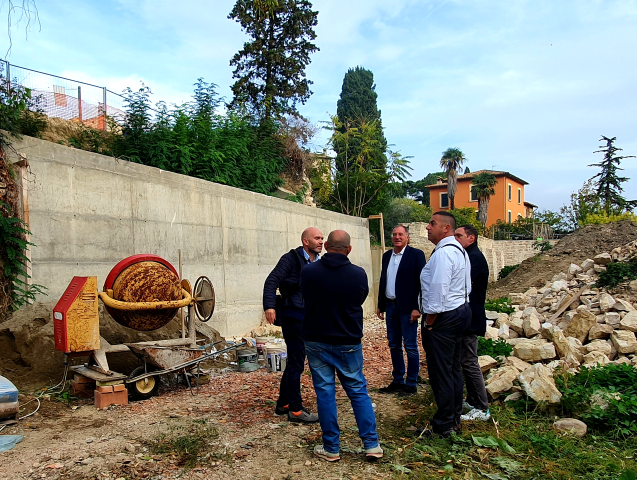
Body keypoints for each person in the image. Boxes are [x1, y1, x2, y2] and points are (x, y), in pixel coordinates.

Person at [300, 230, 383, 462]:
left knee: (325, 393)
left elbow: (306, 297)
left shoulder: (309, 272)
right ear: (349, 249)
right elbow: (358, 299)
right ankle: (371, 444)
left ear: (326, 246)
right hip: (348, 341)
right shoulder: (358, 274)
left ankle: (332, 448)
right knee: (357, 391)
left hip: (316, 340)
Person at [262, 227, 324, 424]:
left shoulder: (319, 262)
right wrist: (270, 306)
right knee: (297, 362)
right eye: (317, 238)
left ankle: (284, 403)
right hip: (293, 316)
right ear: (306, 241)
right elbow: (271, 281)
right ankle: (296, 410)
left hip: (308, 318)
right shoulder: (290, 259)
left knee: (296, 361)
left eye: (322, 238)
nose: (321, 241)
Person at [419, 212, 472, 437]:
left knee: (441, 371)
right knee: (452, 368)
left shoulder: (443, 254)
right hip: (460, 311)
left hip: (444, 317)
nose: (428, 228)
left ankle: (443, 425)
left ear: (446, 229)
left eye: (433, 224)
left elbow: (438, 290)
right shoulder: (458, 251)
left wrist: (430, 322)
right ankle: (453, 418)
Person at [377, 225, 426, 395]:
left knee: (410, 345)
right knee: (394, 344)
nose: (397, 237)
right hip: (390, 305)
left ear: (407, 237)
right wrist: (380, 304)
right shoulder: (386, 256)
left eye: (400, 234)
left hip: (408, 308)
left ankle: (411, 382)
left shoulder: (416, 255)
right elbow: (383, 280)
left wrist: (417, 307)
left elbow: (422, 283)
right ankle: (398, 379)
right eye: (395, 234)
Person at [454, 225, 491, 421]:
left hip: (471, 318)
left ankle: (482, 407)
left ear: (471, 238)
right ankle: (472, 399)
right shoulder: (468, 255)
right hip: (467, 316)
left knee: (469, 361)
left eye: (459, 235)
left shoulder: (473, 258)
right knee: (463, 360)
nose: (455, 238)